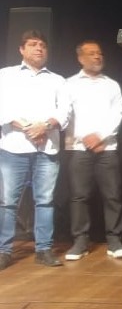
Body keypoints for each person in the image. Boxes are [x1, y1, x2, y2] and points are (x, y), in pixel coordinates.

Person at [0, 30, 68, 269]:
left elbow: (65, 112)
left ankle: (44, 249)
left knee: (45, 201)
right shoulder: (6, 75)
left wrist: (45, 126)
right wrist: (28, 127)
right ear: (22, 49)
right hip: (13, 147)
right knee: (8, 202)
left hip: (46, 149)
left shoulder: (58, 80)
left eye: (42, 45)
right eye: (33, 44)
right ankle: (4, 251)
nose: (39, 48)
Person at [62, 41, 122, 260]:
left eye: (100, 53)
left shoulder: (112, 85)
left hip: (107, 147)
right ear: (80, 58)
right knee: (79, 196)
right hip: (79, 148)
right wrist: (85, 137)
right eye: (91, 53)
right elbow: (66, 115)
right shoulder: (69, 84)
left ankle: (114, 240)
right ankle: (80, 241)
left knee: (112, 195)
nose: (97, 57)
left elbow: (118, 113)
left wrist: (100, 136)